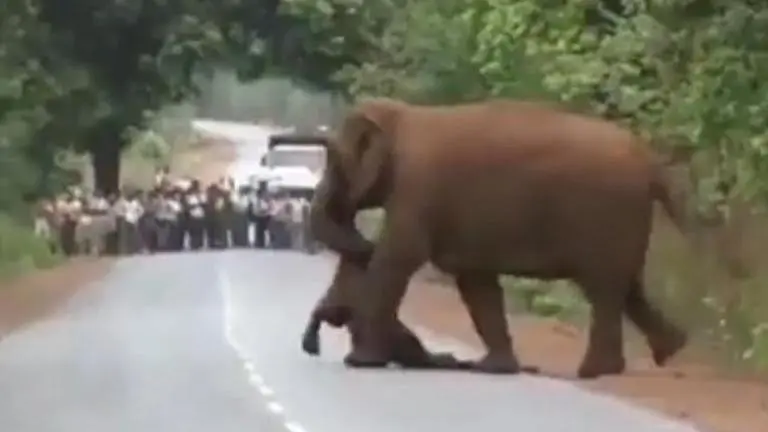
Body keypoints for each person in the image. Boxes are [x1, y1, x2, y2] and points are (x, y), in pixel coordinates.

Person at [249, 182, 272, 248]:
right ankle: (259, 242)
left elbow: (268, 207)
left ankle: (264, 242)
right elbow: (254, 208)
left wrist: (265, 211)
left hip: (265, 216)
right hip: (258, 216)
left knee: (264, 230)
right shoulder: (256, 200)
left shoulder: (265, 199)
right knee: (259, 231)